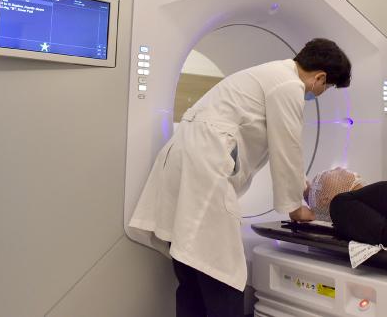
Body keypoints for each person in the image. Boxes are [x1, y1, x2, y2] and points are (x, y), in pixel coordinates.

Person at [129, 38, 351, 317]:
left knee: (189, 267)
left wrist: (302, 185)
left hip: (184, 159)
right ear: (320, 77)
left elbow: (282, 149)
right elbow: (287, 146)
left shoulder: (270, 74)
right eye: (326, 88)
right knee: (221, 270)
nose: (320, 93)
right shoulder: (289, 85)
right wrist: (296, 208)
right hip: (206, 167)